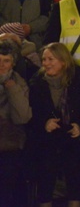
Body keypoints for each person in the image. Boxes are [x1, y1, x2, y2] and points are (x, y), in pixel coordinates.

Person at [29, 43, 80, 207]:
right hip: (47, 138)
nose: (46, 63)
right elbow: (31, 114)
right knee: (45, 164)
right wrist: (44, 123)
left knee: (74, 163)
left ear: (63, 61)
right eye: (44, 59)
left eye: (51, 59)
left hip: (73, 136)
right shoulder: (37, 83)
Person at [0, 39, 31, 206]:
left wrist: (11, 88)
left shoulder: (18, 82)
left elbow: (23, 117)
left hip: (11, 143)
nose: (2, 65)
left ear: (13, 63)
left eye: (6, 61)